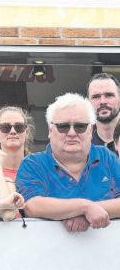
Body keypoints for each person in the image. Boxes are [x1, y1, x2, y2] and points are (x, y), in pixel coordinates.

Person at [16, 93, 120, 233]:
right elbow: (32, 206)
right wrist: (84, 207)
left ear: (91, 130)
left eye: (80, 126)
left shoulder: (106, 157)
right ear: (50, 130)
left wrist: (87, 213)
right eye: (63, 126)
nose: (71, 133)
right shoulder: (33, 164)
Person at [0, 105, 35, 181]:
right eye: (5, 127)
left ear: (26, 132)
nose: (13, 131)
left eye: (19, 127)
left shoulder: (40, 170)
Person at [87, 73, 120, 155]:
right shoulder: (83, 145)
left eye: (109, 95)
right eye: (96, 97)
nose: (102, 101)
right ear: (88, 102)